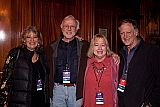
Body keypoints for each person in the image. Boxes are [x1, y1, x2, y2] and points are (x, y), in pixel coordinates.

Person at [46, 15, 90, 107]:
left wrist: (113, 55)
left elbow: (101, 50)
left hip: (76, 91)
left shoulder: (85, 46)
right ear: (61, 27)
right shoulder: (51, 47)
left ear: (77, 29)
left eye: (72, 26)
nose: (69, 29)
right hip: (57, 90)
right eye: (66, 26)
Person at [0, 26, 49, 107]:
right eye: (28, 37)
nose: (32, 40)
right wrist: (3, 101)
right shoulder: (15, 53)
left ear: (39, 40)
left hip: (39, 101)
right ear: (24, 40)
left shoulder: (42, 56)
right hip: (20, 102)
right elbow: (5, 80)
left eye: (35, 37)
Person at [117, 19, 160, 107]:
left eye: (128, 32)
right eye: (122, 33)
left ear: (136, 32)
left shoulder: (151, 51)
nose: (125, 36)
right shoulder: (121, 53)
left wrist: (150, 103)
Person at [83, 34, 119, 107]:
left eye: (103, 45)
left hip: (109, 103)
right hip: (90, 103)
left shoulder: (115, 63)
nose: (100, 48)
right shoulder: (86, 63)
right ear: (92, 48)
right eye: (96, 45)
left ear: (107, 47)